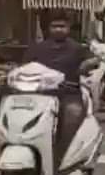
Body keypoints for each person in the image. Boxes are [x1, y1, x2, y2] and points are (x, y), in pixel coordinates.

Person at [24, 12, 91, 160]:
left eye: (62, 26)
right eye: (55, 26)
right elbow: (25, 66)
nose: (58, 30)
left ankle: (65, 156)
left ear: (68, 28)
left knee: (71, 122)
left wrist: (89, 66)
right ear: (48, 28)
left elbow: (89, 66)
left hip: (68, 94)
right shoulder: (38, 48)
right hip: (41, 95)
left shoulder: (77, 49)